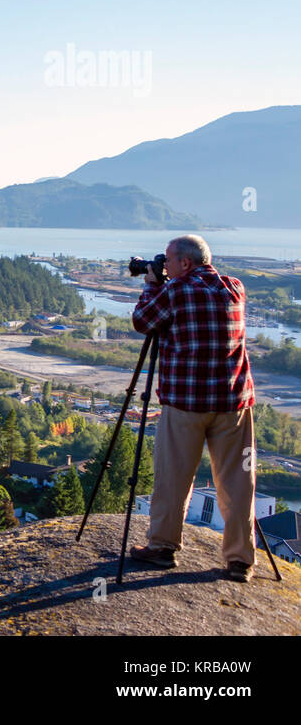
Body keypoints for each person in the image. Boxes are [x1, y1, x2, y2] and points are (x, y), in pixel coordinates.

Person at [128, 235, 257, 581]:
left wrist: (152, 286)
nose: (164, 266)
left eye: (168, 261)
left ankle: (162, 548)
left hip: (186, 402)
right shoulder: (235, 288)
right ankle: (240, 560)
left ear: (185, 263)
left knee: (173, 477)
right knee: (237, 482)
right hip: (233, 402)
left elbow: (143, 321)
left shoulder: (176, 291)